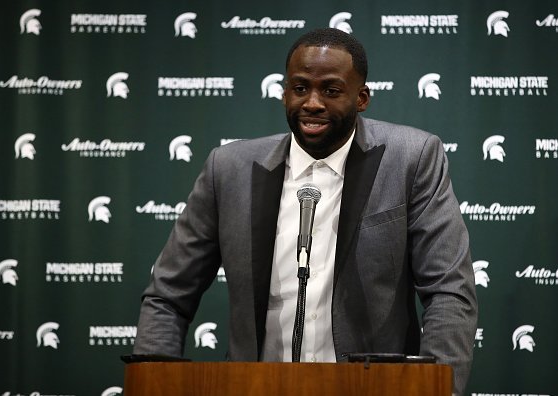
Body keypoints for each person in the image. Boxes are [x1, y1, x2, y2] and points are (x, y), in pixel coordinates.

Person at [134, 28, 478, 395]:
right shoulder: (228, 169)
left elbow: (449, 291)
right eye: (300, 88)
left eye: (330, 90)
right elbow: (167, 295)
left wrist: (436, 390)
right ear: (284, 92)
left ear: (361, 98)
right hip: (255, 388)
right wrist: (153, 384)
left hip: (374, 389)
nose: (312, 103)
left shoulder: (412, 158)